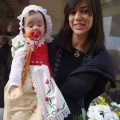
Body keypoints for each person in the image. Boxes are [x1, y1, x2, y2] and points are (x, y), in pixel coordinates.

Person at [48, 0, 116, 119]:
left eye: (85, 11)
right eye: (73, 12)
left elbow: (95, 106)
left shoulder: (101, 61)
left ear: (95, 14)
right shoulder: (50, 45)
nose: (77, 17)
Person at [3, 5, 70, 120]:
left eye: (39, 25)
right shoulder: (24, 43)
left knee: (43, 105)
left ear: (45, 26)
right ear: (23, 28)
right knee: (25, 101)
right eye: (30, 25)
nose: (35, 28)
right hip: (27, 78)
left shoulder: (46, 41)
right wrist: (14, 79)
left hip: (44, 78)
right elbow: (17, 62)